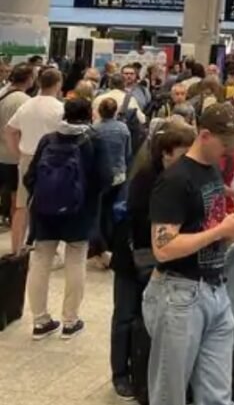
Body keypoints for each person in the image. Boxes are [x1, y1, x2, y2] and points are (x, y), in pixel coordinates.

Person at [143, 103, 234, 405]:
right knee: (169, 394)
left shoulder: (212, 171)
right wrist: (220, 231)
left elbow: (212, 226)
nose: (230, 153)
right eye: (225, 145)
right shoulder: (175, 181)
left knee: (218, 395)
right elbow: (163, 248)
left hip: (215, 290)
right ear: (204, 136)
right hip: (178, 294)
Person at [109, 120, 196, 399]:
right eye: (183, 154)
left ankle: (143, 369)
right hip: (133, 256)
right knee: (125, 314)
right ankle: (120, 373)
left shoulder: (180, 177)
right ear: (166, 153)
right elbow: (141, 220)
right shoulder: (147, 178)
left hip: (157, 259)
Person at [24, 98, 111, 339]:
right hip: (80, 212)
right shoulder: (94, 141)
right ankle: (70, 321)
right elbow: (106, 178)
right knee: (75, 261)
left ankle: (40, 321)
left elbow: (30, 176)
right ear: (90, 115)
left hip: (44, 211)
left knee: (41, 262)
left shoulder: (48, 139)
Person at [6, 68, 65, 253]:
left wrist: (17, 151)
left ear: (39, 83)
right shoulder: (60, 108)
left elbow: (9, 130)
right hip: (53, 160)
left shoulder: (27, 105)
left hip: (27, 157)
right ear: (58, 84)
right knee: (51, 205)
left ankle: (16, 248)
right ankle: (46, 249)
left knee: (21, 207)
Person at [89, 98, 132, 269]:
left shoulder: (95, 129)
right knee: (115, 211)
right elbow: (128, 152)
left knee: (99, 213)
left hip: (101, 176)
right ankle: (115, 246)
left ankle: (100, 247)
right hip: (120, 174)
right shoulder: (123, 129)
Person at [0, 65, 33, 244]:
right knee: (17, 200)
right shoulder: (25, 101)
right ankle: (15, 238)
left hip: (1, 153)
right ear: (28, 79)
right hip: (13, 156)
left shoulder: (2, 93)